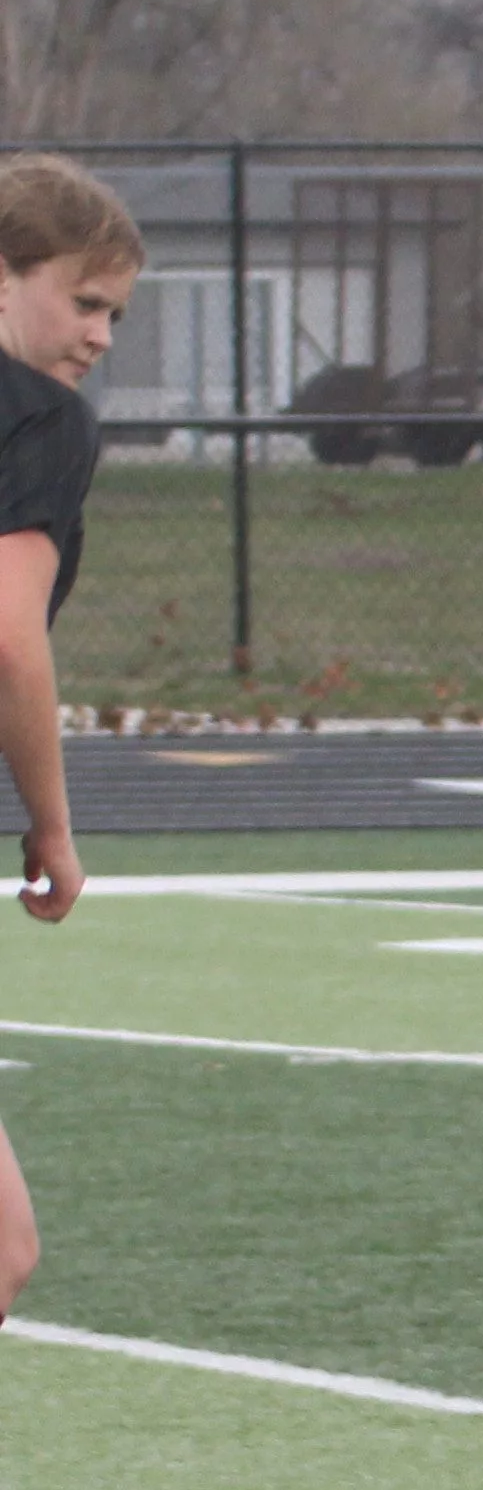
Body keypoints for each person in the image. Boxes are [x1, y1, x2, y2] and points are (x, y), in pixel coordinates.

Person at [0, 154, 141, 1326]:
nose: (99, 335)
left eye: (115, 314)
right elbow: (9, 636)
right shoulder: (40, 419)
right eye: (81, 299)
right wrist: (52, 823)